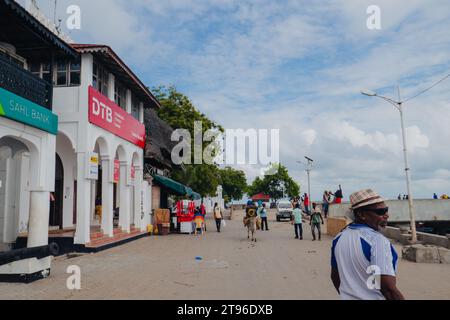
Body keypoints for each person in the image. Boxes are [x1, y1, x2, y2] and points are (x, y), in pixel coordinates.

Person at [330, 189, 405, 300]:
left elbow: (335, 277)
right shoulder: (378, 241)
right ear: (361, 215)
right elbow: (388, 289)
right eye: (381, 212)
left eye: (386, 210)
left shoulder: (339, 238)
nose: (387, 215)